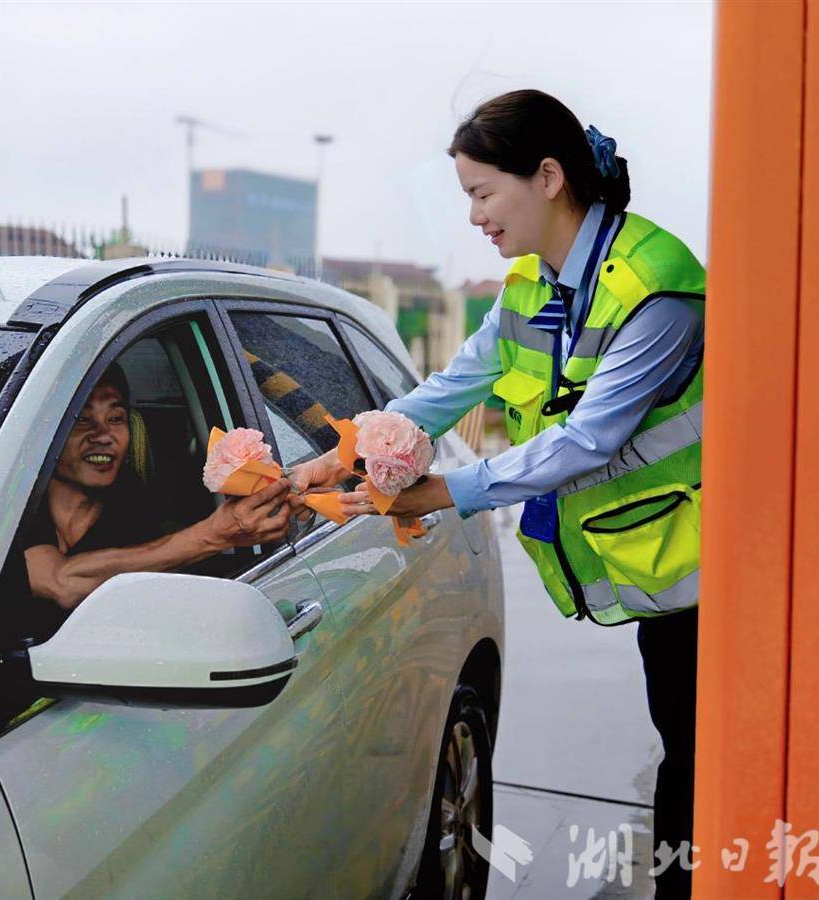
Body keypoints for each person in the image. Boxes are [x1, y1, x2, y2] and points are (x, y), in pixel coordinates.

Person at [292, 90, 704, 899]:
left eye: (484, 193)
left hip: (719, 579)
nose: (476, 216)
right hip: (662, 579)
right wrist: (343, 451)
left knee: (699, 773)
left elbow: (586, 439)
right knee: (684, 759)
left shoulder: (656, 289)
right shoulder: (530, 287)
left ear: (548, 176)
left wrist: (440, 491)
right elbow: (453, 386)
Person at [19, 362, 293, 641]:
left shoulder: (139, 504)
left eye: (115, 418)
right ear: (45, 433)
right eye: (81, 419)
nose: (103, 436)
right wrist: (214, 535)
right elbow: (59, 582)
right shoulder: (10, 505)